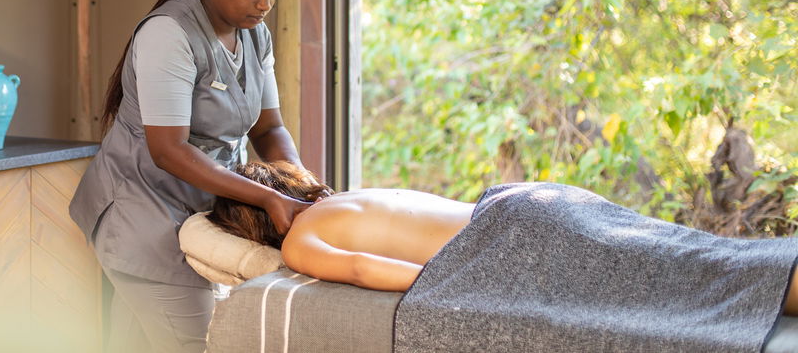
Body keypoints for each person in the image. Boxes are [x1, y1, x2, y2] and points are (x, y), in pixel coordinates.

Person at [69, 0, 313, 353]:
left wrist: (299, 184)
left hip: (200, 210)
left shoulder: (254, 36)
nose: (265, 5)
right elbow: (169, 150)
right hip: (143, 214)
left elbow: (269, 126)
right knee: (198, 344)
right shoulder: (169, 33)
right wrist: (269, 198)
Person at [208, 161, 798, 316]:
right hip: (524, 202)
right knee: (685, 256)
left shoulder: (298, 243)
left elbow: (365, 272)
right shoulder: (340, 198)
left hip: (511, 240)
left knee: (679, 282)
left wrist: (457, 289)